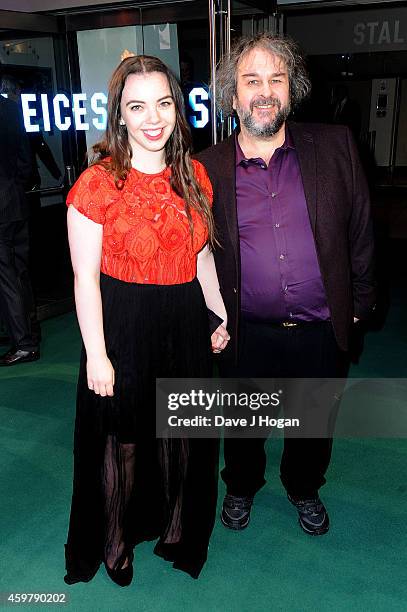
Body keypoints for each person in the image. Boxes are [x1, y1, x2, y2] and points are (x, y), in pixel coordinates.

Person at [197, 34, 375, 535]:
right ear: (232, 97)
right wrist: (210, 319)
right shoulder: (205, 168)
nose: (265, 91)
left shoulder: (334, 146)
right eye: (251, 80)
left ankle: (303, 487)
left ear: (291, 91)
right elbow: (193, 254)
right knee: (243, 426)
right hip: (245, 330)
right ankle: (241, 484)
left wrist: (360, 302)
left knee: (312, 425)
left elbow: (361, 228)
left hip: (321, 326)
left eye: (276, 79)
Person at [64, 53, 229, 587]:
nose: (152, 117)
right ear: (120, 115)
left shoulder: (196, 175)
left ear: (177, 109)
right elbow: (84, 279)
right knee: (124, 440)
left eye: (162, 103)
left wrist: (218, 314)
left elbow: (201, 255)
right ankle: (114, 539)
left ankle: (178, 528)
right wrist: (97, 354)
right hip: (123, 324)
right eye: (137, 106)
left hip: (184, 319)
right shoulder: (97, 184)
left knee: (182, 433)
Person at [0, 93, 40, 366]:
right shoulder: (11, 108)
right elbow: (27, 161)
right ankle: (28, 333)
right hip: (16, 200)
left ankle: (24, 343)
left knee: (6, 277)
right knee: (20, 272)